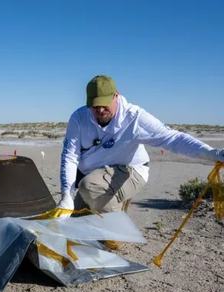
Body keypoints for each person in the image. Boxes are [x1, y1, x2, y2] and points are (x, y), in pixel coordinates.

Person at [56, 75, 224, 222]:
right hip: (96, 173)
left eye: (104, 104)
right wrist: (66, 196)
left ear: (116, 96)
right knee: (73, 221)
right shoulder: (79, 118)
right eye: (94, 105)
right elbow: (70, 157)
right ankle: (108, 207)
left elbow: (173, 138)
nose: (99, 110)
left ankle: (116, 232)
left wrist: (210, 153)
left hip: (130, 170)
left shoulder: (134, 118)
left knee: (89, 188)